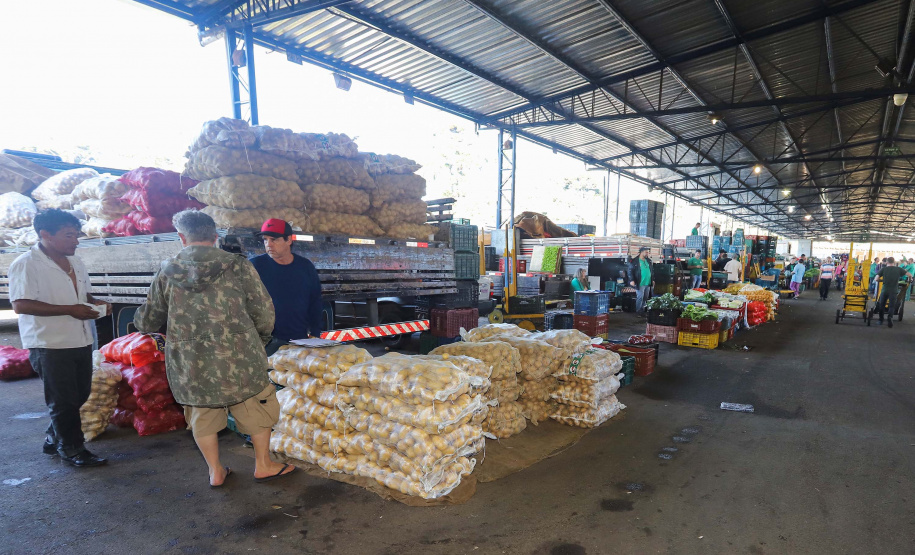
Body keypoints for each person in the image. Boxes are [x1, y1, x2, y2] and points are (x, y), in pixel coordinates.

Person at [134, 210, 295, 487]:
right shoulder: (238, 265)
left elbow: (147, 320)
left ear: (182, 238)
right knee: (254, 407)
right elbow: (263, 309)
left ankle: (216, 471)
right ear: (215, 236)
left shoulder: (167, 270)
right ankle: (264, 465)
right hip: (240, 355)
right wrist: (259, 340)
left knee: (201, 414)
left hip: (191, 362)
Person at [9, 209, 111, 467]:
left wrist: (96, 303)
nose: (76, 240)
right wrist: (69, 310)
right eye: (69, 235)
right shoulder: (26, 264)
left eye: (76, 235)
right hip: (50, 344)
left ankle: (54, 438)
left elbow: (84, 295)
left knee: (80, 395)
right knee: (63, 400)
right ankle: (72, 449)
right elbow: (20, 305)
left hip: (80, 338)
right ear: (45, 235)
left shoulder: (75, 261)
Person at [250, 219, 324, 356]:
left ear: (289, 240)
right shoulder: (254, 267)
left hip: (298, 341)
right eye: (265, 240)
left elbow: (315, 302)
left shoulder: (305, 267)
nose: (268, 245)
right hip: (265, 344)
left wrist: (315, 333)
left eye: (274, 239)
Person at [875, 257, 913, 328]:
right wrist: (910, 280)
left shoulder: (883, 269)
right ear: (894, 262)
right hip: (894, 290)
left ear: (886, 262)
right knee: (892, 306)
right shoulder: (898, 269)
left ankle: (881, 320)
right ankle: (890, 318)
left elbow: (876, 278)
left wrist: (881, 280)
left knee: (882, 305)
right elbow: (910, 275)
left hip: (885, 290)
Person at [628, 247, 653, 315]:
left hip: (647, 282)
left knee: (645, 297)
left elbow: (651, 271)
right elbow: (630, 271)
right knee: (640, 297)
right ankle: (638, 311)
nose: (647, 253)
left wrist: (653, 280)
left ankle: (642, 309)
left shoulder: (648, 261)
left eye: (648, 252)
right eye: (646, 252)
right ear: (641, 252)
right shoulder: (635, 261)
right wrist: (632, 280)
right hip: (640, 282)